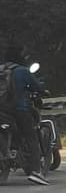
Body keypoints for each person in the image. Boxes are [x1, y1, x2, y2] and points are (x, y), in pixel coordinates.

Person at [1, 45, 50, 185]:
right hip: (19, 110)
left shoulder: (1, 70)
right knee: (31, 137)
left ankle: (12, 151)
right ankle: (36, 172)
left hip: (2, 111)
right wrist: (43, 90)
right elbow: (37, 87)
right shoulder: (22, 71)